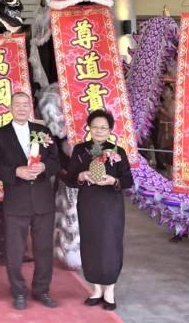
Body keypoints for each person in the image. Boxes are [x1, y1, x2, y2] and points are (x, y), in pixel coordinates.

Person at [0, 91, 59, 311]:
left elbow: (56, 161)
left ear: (31, 107)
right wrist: (16, 171)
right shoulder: (0, 135)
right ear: (10, 107)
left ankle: (42, 290)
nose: (21, 108)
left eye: (25, 104)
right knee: (15, 249)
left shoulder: (43, 131)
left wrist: (45, 167)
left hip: (42, 200)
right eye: (17, 104)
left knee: (43, 248)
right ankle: (18, 290)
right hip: (16, 200)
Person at [65, 109, 133, 311]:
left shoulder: (117, 151)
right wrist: (81, 176)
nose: (99, 131)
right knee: (90, 243)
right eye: (95, 127)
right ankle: (95, 289)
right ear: (89, 128)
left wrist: (114, 180)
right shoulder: (80, 150)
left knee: (110, 245)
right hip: (88, 204)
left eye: (104, 127)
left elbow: (128, 180)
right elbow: (69, 177)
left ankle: (109, 289)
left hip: (111, 205)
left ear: (110, 130)